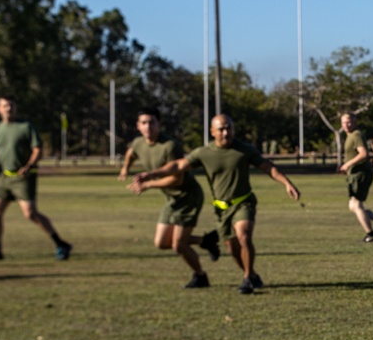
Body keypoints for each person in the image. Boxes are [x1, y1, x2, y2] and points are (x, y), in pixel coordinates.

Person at [132, 114, 300, 295]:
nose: (226, 132)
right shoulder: (204, 153)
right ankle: (251, 275)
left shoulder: (244, 150)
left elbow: (268, 167)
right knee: (232, 248)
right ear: (212, 132)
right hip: (221, 208)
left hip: (243, 202)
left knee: (243, 236)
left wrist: (287, 183)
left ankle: (248, 277)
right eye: (221, 129)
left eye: (229, 128)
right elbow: (177, 166)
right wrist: (151, 174)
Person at [119, 108, 221, 289]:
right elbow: (131, 153)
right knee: (161, 242)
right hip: (171, 199)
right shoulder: (138, 143)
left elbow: (177, 178)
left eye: (152, 122)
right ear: (138, 126)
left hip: (187, 196)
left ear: (159, 124)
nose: (148, 126)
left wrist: (148, 184)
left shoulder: (170, 146)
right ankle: (205, 241)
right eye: (144, 123)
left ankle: (200, 277)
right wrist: (125, 169)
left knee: (179, 245)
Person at [0, 95, 72, 261]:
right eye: (5, 106)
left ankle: (60, 244)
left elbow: (37, 149)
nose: (9, 109)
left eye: (12, 105)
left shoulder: (26, 127)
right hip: (4, 177)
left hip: (23, 177)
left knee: (30, 214)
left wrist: (29, 165)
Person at [339, 113, 373, 243]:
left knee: (356, 205)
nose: (346, 124)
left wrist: (347, 165)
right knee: (353, 205)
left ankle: (371, 235)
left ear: (355, 122)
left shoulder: (356, 135)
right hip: (354, 174)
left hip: (360, 174)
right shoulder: (350, 135)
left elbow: (363, 154)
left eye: (349, 122)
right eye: (344, 122)